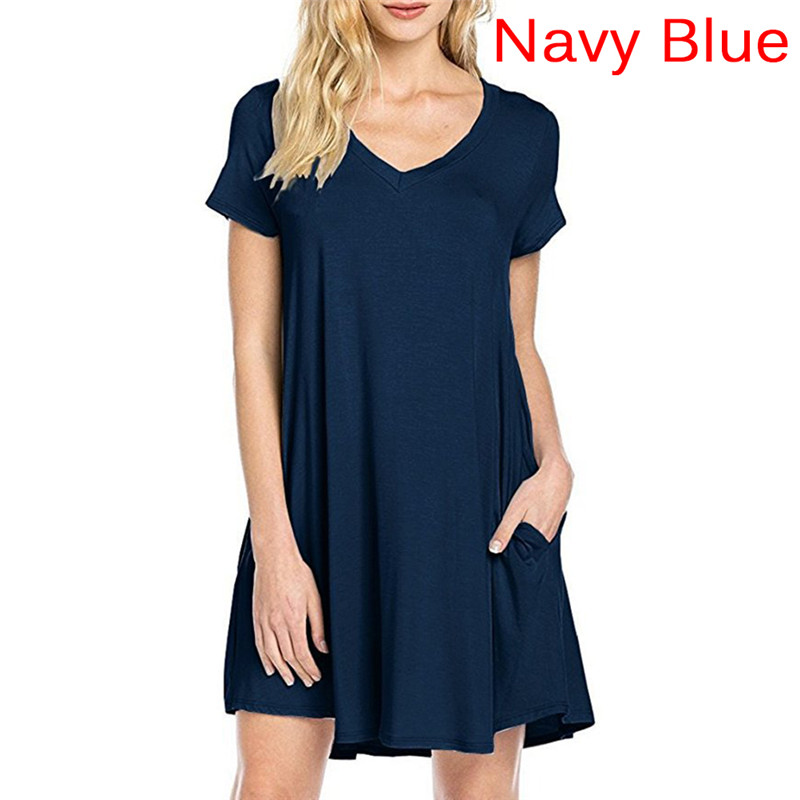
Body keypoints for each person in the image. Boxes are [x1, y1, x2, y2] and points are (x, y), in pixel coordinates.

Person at [205, 1, 594, 797]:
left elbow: (518, 339)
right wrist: (275, 547)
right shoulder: (273, 120)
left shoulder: (524, 135)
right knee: (269, 785)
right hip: (313, 522)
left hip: (477, 519)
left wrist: (554, 463)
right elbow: (254, 350)